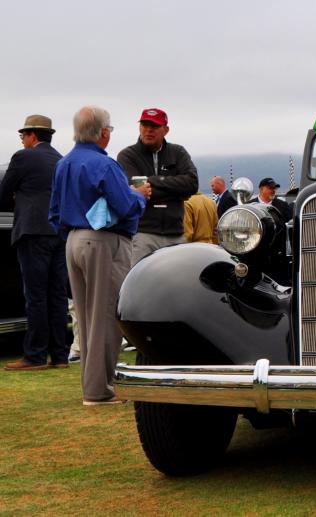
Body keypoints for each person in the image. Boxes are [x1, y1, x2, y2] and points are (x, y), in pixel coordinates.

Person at [49, 105, 150, 404]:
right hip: (104, 242)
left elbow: (53, 213)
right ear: (103, 132)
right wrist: (139, 196)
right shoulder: (105, 165)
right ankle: (99, 390)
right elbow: (125, 206)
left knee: (84, 315)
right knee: (106, 316)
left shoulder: (63, 164)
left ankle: (91, 386)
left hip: (73, 241)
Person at [0, 115, 69, 370]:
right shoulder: (61, 160)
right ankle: (60, 356)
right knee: (58, 295)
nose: (22, 141)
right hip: (59, 233)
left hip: (32, 231)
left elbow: (3, 194)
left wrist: (18, 199)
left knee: (36, 296)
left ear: (32, 136)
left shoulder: (22, 157)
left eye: (22, 136)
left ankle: (35, 355)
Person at [117, 108, 198, 264]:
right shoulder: (127, 155)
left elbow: (192, 184)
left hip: (176, 234)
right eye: (145, 125)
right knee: (139, 285)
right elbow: (135, 192)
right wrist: (177, 191)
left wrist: (152, 180)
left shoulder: (178, 152)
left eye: (154, 126)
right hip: (141, 234)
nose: (148, 130)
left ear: (165, 130)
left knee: (177, 284)